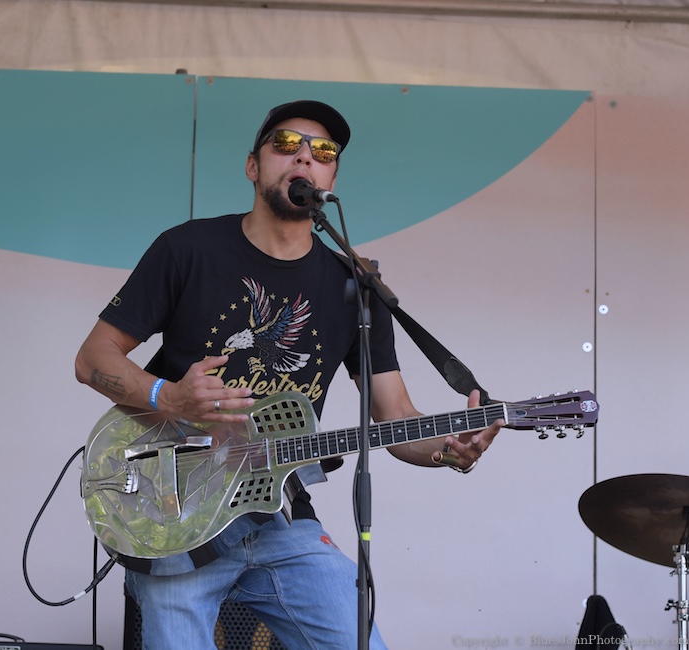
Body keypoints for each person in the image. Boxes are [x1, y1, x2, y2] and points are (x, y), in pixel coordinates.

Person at [75, 99, 502, 649]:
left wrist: (449, 448)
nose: (304, 157)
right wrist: (169, 397)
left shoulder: (355, 288)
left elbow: (396, 418)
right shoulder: (187, 249)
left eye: (323, 152)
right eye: (285, 144)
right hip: (175, 510)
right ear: (253, 165)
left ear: (330, 179)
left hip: (280, 517)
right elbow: (93, 358)